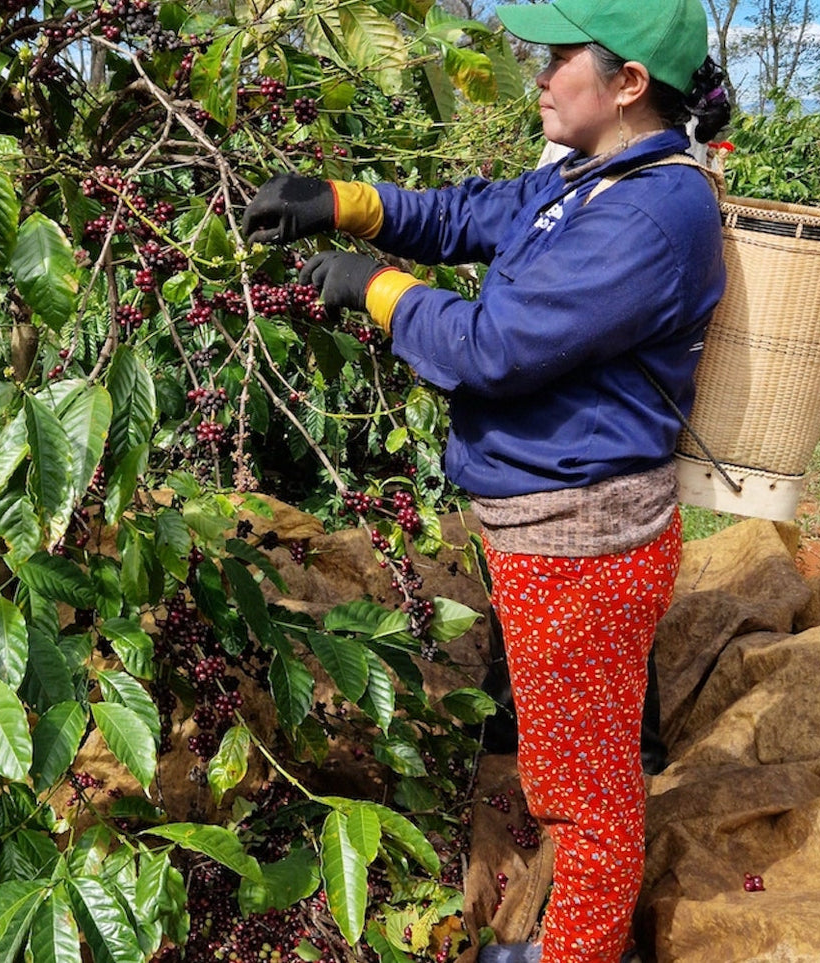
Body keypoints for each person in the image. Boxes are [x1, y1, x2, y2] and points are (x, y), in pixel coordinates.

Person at [242, 0, 732, 960]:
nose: (539, 76)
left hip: (581, 540)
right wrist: (346, 201)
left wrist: (379, 289)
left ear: (628, 83)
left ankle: (577, 950)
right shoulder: (591, 179)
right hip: (541, 526)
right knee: (571, 759)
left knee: (582, 798)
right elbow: (476, 212)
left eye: (558, 59)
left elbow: (492, 348)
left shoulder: (654, 211)